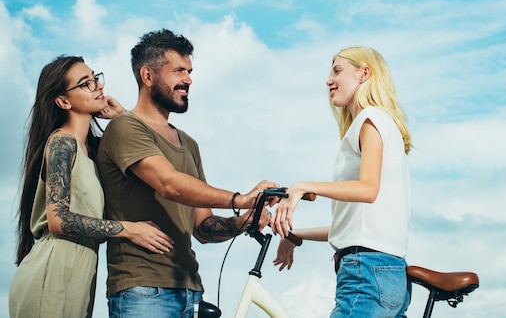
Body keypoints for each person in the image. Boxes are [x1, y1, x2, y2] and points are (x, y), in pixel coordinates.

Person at [97, 29, 277, 318]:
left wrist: (242, 221)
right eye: (178, 71)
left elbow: (203, 226)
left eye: (190, 71)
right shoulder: (125, 128)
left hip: (191, 293)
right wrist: (241, 199)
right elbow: (168, 183)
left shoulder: (188, 144)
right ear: (147, 76)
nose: (188, 80)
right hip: (142, 291)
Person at [10, 55, 174, 318]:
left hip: (81, 275)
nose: (98, 86)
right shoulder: (62, 143)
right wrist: (129, 230)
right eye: (85, 84)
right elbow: (58, 219)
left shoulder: (94, 151)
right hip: (52, 270)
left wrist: (121, 116)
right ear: (63, 101)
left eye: (95, 78)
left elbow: (154, 158)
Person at [270, 46, 413, 317]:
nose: (329, 80)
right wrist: (295, 235)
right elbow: (354, 226)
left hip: (366, 272)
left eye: (337, 71)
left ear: (364, 74)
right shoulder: (383, 123)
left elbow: (368, 189)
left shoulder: (370, 120)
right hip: (389, 272)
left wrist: (304, 186)